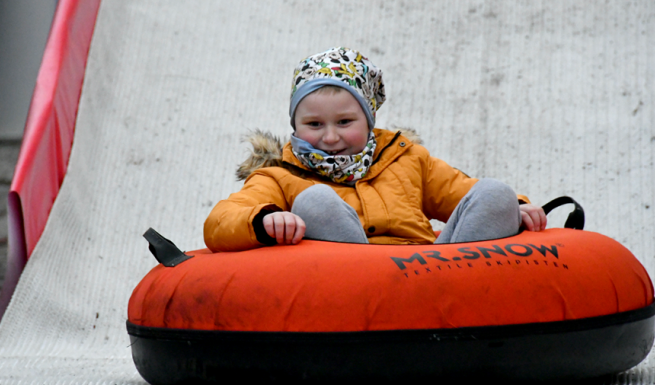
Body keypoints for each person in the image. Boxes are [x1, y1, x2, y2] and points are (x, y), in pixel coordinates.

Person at [204, 47, 546, 253]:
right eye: (314, 124)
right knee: (315, 200)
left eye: (344, 122)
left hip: (431, 272)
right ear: (295, 125)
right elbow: (219, 222)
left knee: (496, 193)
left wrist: (516, 208)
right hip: (350, 281)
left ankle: (465, 301)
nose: (330, 137)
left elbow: (463, 193)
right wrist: (265, 220)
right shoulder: (279, 176)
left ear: (369, 120)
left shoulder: (407, 159)